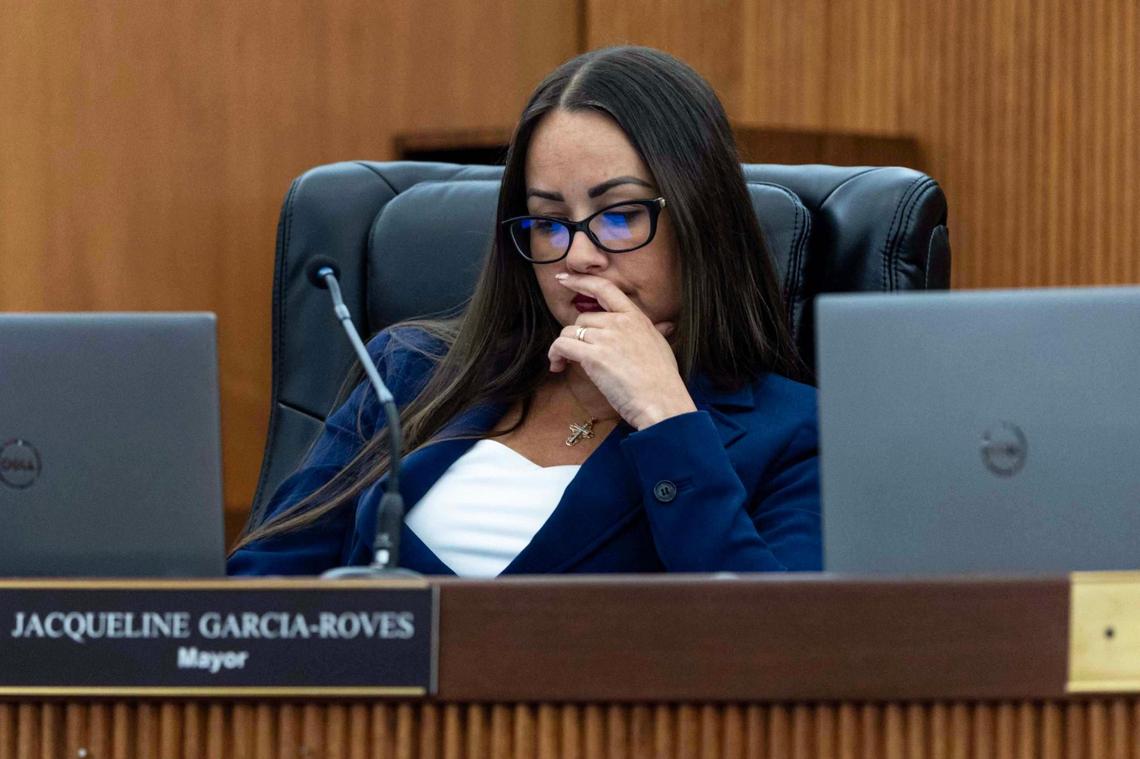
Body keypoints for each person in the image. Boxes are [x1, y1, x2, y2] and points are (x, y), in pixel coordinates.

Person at [228, 45, 821, 577]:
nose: (580, 254)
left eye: (619, 216)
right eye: (547, 222)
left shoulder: (796, 432)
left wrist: (666, 417)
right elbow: (259, 593)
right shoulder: (411, 372)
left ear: (703, 221)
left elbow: (779, 651)